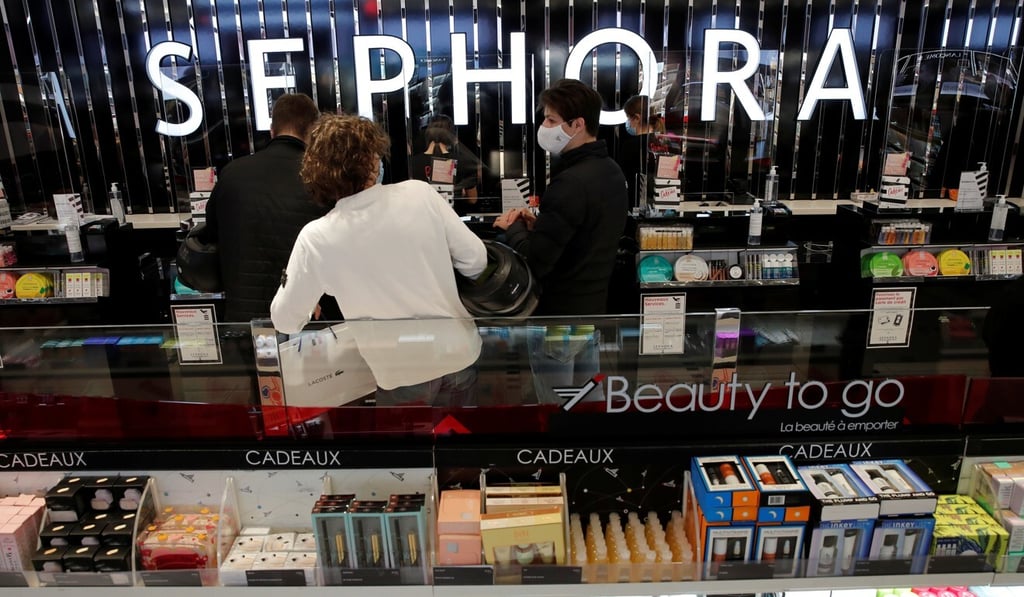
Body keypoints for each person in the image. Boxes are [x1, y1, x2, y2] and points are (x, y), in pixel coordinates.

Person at [270, 114, 487, 406]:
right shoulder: (419, 194)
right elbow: (476, 260)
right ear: (372, 160)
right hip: (459, 352)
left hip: (400, 372)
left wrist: (311, 297)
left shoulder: (317, 237)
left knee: (402, 451)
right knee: (457, 445)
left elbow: (285, 318)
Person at [493, 79, 629, 316]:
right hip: (593, 309)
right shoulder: (612, 171)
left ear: (578, 124)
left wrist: (513, 228)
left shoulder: (570, 182)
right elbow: (585, 236)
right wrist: (542, 226)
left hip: (560, 319)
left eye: (551, 120)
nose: (544, 126)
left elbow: (535, 262)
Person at [204, 93, 339, 322]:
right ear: (313, 133)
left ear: (272, 130)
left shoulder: (232, 174)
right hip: (304, 319)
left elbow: (212, 235)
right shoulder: (321, 179)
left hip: (242, 319)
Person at [407, 114, 484, 214]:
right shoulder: (464, 161)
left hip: (424, 217)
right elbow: (472, 199)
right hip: (455, 218)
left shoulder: (412, 163)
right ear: (451, 134)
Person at [617, 94, 666, 208]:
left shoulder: (631, 146)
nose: (628, 122)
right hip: (662, 201)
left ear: (637, 118)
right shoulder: (664, 142)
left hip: (636, 204)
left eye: (628, 117)